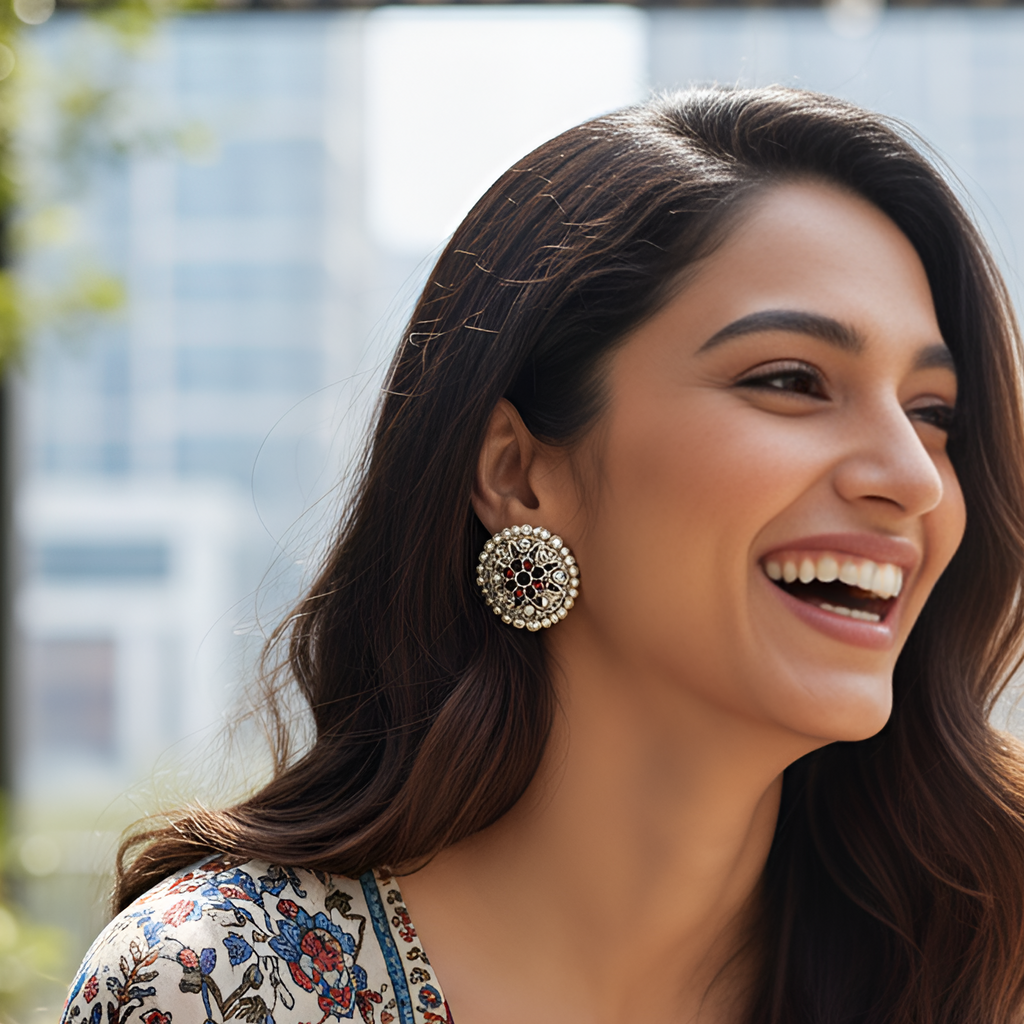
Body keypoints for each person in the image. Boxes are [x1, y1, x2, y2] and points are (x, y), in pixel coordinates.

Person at [60, 85, 1024, 1024]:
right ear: (521, 475)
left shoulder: (989, 962)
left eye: (933, 413)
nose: (915, 476)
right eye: (791, 381)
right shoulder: (223, 988)